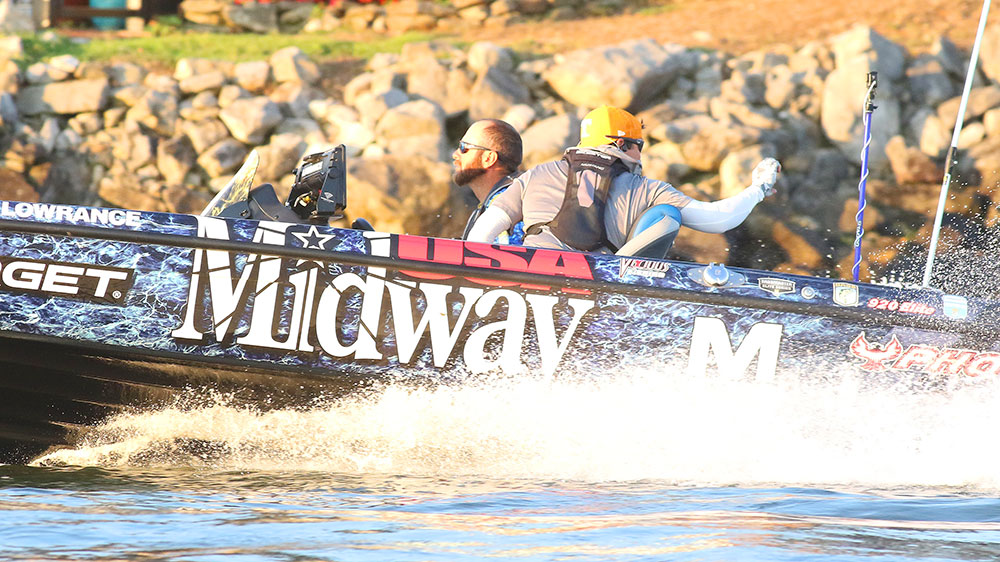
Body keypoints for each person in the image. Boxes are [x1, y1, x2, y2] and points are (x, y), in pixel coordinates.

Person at [466, 105, 781, 259]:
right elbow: (720, 219)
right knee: (665, 216)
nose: (641, 155)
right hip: (596, 298)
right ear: (622, 145)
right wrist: (759, 189)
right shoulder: (648, 191)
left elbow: (482, 234)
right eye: (639, 145)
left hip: (530, 281)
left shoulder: (535, 175)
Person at [453, 119, 525, 245]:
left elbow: (507, 254)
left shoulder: (505, 205)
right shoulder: (506, 197)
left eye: (464, 147)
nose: (455, 154)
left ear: (489, 158)